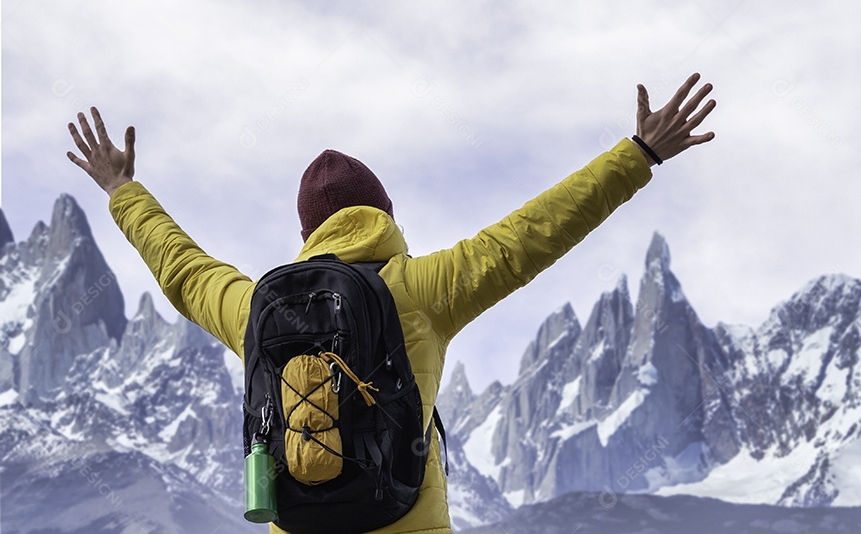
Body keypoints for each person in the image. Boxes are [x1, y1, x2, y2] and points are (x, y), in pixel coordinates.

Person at [66, 73, 717, 533]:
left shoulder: (255, 307)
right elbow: (535, 232)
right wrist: (638, 156)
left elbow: (182, 268)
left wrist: (122, 189)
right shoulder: (423, 289)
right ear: (385, 219)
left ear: (307, 234)